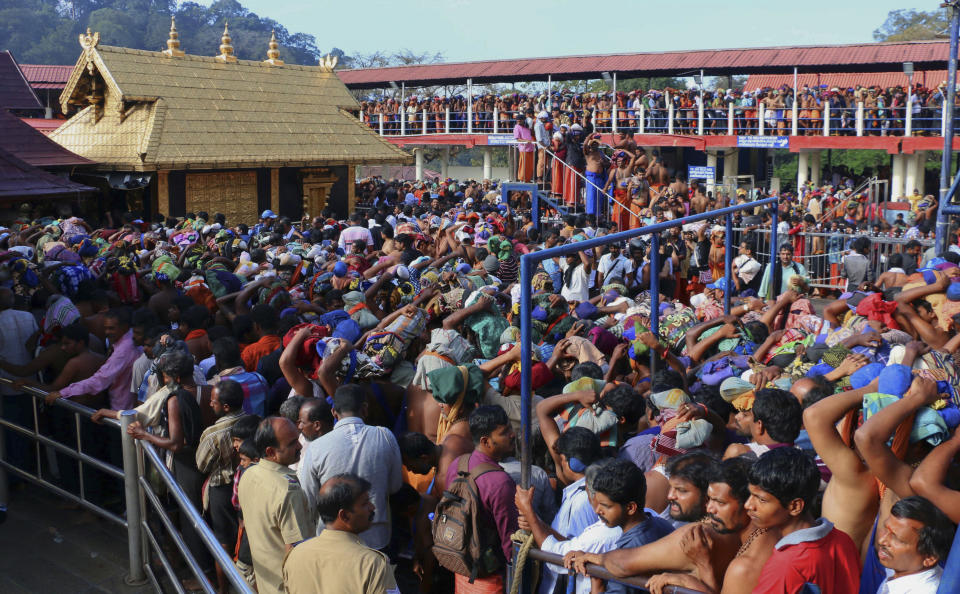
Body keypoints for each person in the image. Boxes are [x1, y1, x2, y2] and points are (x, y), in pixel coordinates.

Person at [297, 383, 403, 550]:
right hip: (375, 538)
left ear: (334, 413)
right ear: (365, 409)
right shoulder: (385, 436)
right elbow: (395, 485)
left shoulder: (316, 447)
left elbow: (308, 500)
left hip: (332, 541)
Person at [748, 447, 860, 593]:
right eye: (750, 495)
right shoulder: (843, 540)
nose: (748, 505)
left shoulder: (787, 563)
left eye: (761, 500)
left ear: (795, 506)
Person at [283, 473, 400, 594]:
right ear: (344, 515)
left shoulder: (295, 554)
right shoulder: (373, 564)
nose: (372, 507)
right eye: (365, 503)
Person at [446, 405, 519, 592]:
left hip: (461, 565)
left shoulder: (457, 464)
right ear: (485, 441)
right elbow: (510, 541)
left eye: (510, 428)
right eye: (504, 432)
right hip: (488, 576)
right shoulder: (500, 482)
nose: (512, 435)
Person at [237, 416, 313, 594]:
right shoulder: (288, 490)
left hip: (266, 582)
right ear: (271, 452)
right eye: (293, 443)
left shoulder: (248, 474)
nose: (300, 446)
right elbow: (295, 550)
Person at [195, 379, 246, 592]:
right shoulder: (254, 420)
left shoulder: (213, 434)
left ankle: (223, 589)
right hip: (246, 483)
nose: (209, 404)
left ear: (225, 407)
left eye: (213, 401)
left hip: (222, 489)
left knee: (223, 541)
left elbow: (201, 464)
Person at [45, 307, 141, 411]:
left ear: (125, 327)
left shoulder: (124, 350)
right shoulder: (130, 338)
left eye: (111, 328)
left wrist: (63, 392)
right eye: (106, 328)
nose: (107, 332)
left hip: (124, 409)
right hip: (124, 406)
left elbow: (99, 381)